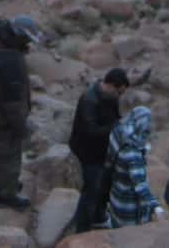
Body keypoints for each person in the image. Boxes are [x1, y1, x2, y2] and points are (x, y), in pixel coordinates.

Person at [0, 15, 40, 210]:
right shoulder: (10, 61)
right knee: (10, 156)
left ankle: (1, 185)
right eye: (27, 39)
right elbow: (12, 103)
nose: (28, 43)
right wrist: (21, 128)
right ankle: (5, 196)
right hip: (3, 116)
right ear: (19, 36)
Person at [68, 67, 130, 232]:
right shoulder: (89, 100)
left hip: (102, 151)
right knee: (91, 189)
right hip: (88, 152)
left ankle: (98, 217)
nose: (119, 96)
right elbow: (90, 131)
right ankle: (82, 229)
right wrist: (115, 127)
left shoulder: (110, 97)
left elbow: (113, 118)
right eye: (119, 92)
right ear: (111, 85)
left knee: (103, 186)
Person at [104, 105, 164, 227]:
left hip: (116, 195)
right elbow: (140, 185)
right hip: (129, 207)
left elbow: (109, 162)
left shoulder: (118, 134)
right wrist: (155, 206)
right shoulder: (132, 152)